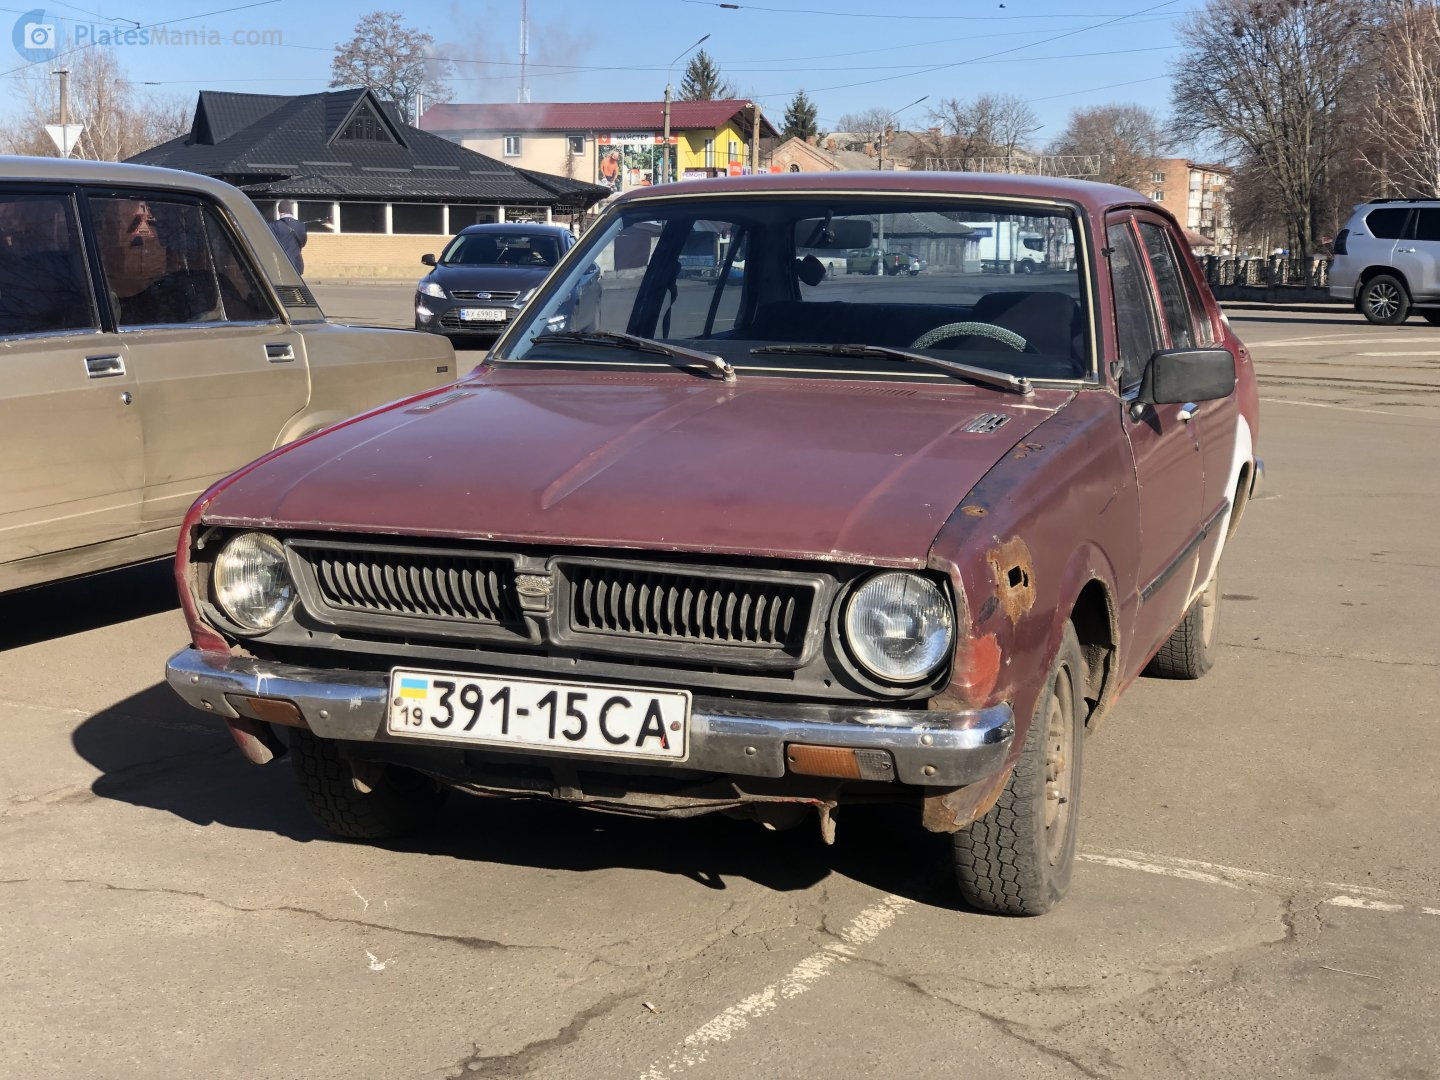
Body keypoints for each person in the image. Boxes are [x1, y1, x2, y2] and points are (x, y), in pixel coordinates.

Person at [268, 202, 307, 274]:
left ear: (279, 211)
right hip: (297, 262)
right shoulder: (301, 225)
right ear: (291, 210)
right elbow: (303, 243)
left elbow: (270, 243)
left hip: (282, 263)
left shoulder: (273, 225)